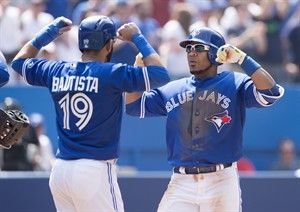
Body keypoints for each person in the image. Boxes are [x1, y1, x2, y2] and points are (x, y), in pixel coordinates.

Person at [11, 15, 169, 211]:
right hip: (93, 170)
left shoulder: (57, 70)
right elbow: (161, 74)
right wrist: (137, 37)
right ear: (109, 45)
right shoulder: (112, 73)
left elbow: (18, 63)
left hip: (60, 171)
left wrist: (48, 33)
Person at [125, 27, 284, 211]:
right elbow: (134, 106)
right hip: (181, 181)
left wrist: (243, 59)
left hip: (221, 180)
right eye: (189, 48)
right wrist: (137, 73)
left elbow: (271, 93)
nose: (192, 53)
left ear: (216, 54)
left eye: (199, 48)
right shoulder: (173, 88)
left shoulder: (234, 82)